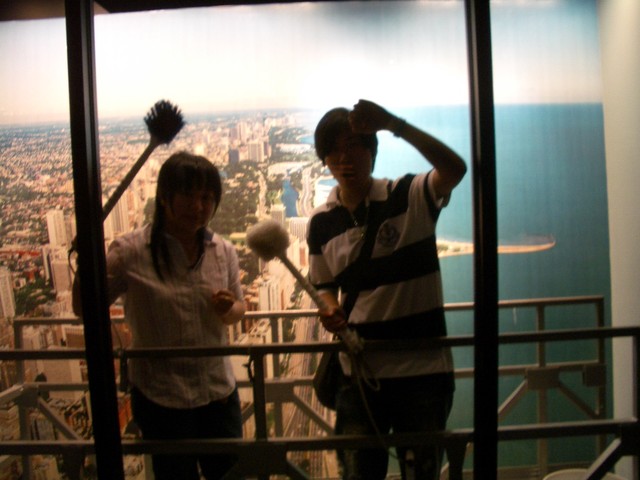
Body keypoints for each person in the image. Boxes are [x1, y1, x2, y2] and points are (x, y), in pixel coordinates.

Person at [307, 99, 467, 480]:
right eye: (333, 150)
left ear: (372, 150)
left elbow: (454, 169)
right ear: (324, 159)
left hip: (423, 376)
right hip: (359, 377)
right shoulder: (320, 223)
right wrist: (328, 307)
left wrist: (394, 124)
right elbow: (323, 284)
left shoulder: (408, 195)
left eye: (354, 146)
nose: (344, 158)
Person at [73, 151, 246, 480]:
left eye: (207, 198)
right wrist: (86, 263)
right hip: (162, 399)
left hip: (218, 394)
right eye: (188, 196)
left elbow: (239, 310)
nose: (198, 206)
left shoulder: (223, 251)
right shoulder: (130, 252)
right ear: (164, 196)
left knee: (230, 475)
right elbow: (85, 309)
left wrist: (229, 308)